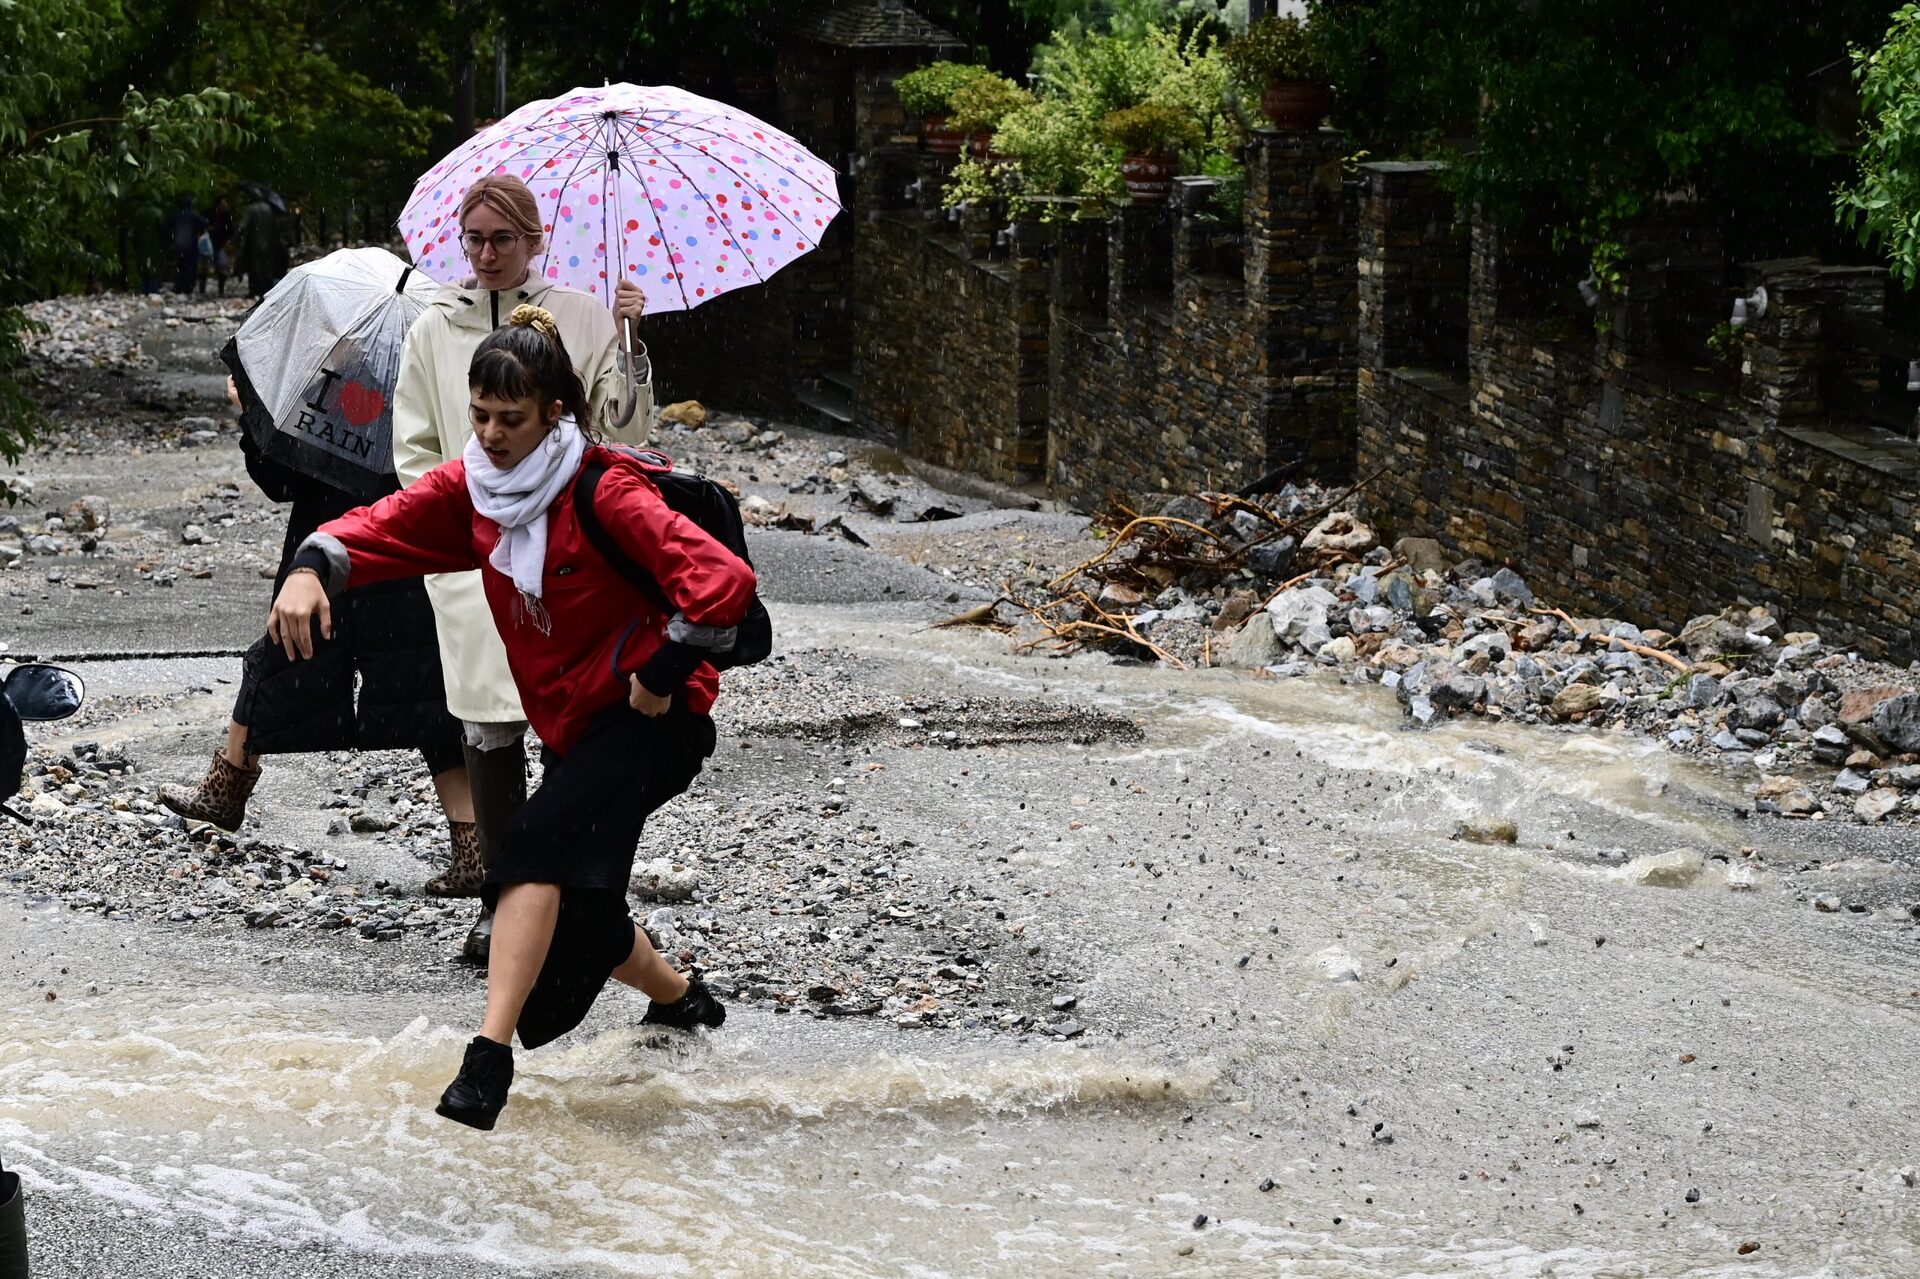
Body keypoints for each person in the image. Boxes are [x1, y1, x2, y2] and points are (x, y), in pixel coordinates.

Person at [269, 306, 748, 1129]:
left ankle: (486, 1061)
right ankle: (683, 1000)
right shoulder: (476, 492)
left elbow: (723, 581)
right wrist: (313, 565)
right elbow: (385, 525)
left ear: (553, 412)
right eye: (480, 414)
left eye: (511, 419)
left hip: (652, 720)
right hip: (573, 725)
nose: (490, 432)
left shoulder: (606, 488)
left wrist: (663, 671)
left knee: (528, 847)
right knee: (587, 906)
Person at [393, 173, 653, 956]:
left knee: (573, 720)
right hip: (475, 555)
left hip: (569, 555)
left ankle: (577, 894)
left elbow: (623, 431)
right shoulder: (434, 326)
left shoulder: (581, 313)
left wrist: (630, 343)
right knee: (488, 722)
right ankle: (501, 897)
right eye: (473, 238)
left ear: (535, 239)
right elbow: (414, 448)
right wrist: (453, 524)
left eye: (502, 238)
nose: (486, 253)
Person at [159, 377, 479, 890]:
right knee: (426, 698)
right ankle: (473, 849)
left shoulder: (325, 390)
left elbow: (279, 481)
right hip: (396, 552)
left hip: (339, 551)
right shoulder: (421, 376)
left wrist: (252, 415)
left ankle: (226, 793)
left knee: (276, 661)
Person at [235, 185, 286, 297]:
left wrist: (236, 238)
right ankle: (266, 290)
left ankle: (254, 291)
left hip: (254, 244)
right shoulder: (268, 209)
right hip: (269, 243)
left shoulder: (250, 209)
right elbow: (275, 228)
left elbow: (242, 226)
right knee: (267, 268)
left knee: (254, 269)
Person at [169, 196, 208, 296]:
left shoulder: (175, 215)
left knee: (180, 266)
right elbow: (204, 223)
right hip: (191, 245)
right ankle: (188, 288)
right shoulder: (194, 215)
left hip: (179, 245)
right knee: (190, 267)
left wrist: (171, 240)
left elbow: (167, 227)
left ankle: (178, 286)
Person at [204, 196, 233, 297]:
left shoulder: (227, 215)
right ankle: (202, 288)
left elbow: (230, 229)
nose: (225, 206)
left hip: (222, 243)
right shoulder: (209, 214)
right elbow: (204, 225)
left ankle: (221, 289)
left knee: (222, 267)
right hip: (210, 242)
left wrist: (229, 240)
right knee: (205, 266)